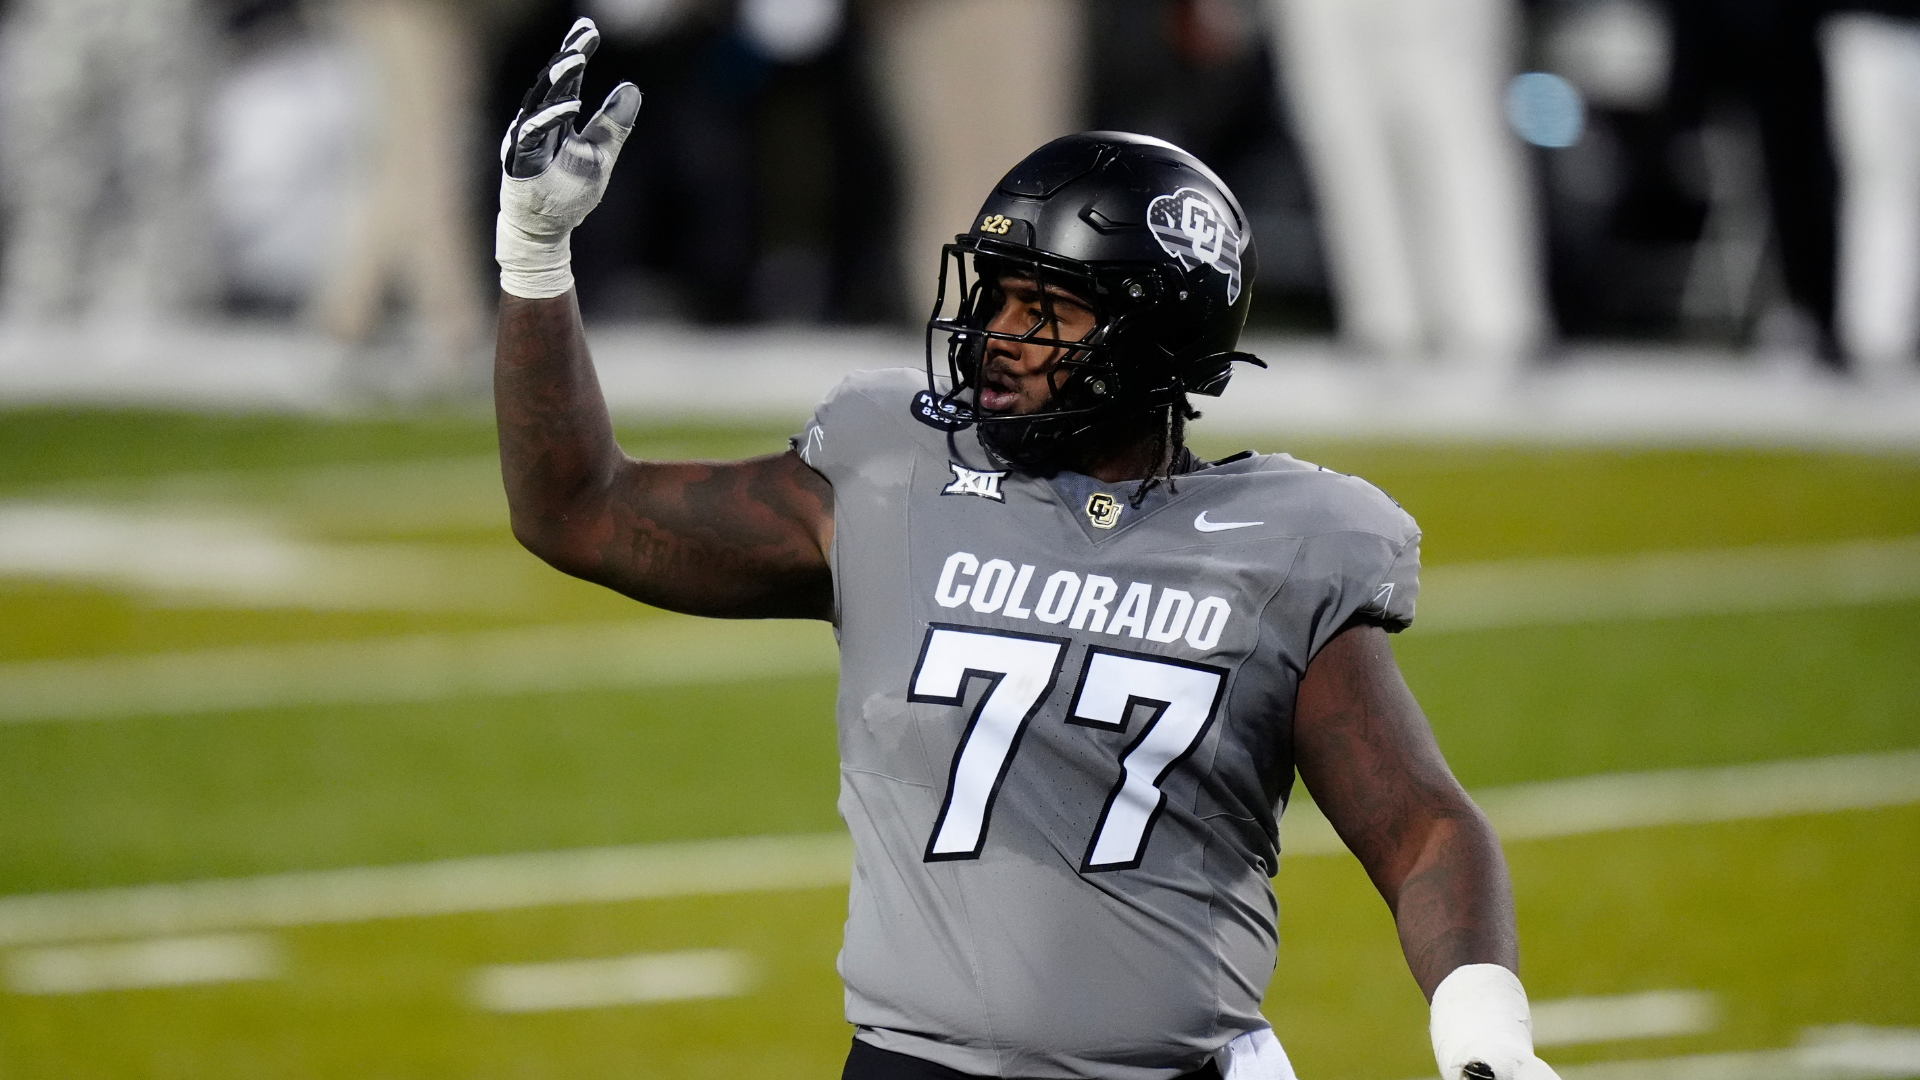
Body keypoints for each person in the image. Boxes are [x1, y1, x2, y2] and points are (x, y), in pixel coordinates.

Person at [492, 20, 1565, 1080]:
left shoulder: (1287, 541)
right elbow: (580, 510)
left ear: (1157, 337)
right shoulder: (895, 470)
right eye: (996, 295)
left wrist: (1484, 1030)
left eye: (1046, 309)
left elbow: (1418, 823)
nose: (998, 335)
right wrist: (536, 256)